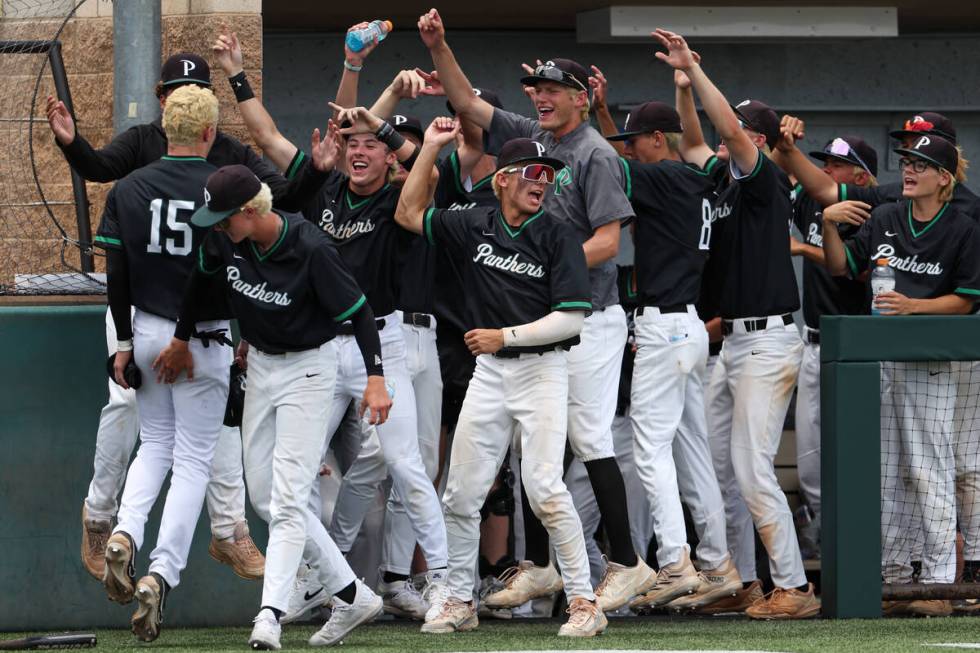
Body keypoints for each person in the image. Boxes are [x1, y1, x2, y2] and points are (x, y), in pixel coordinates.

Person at [419, 9, 655, 612]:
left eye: (553, 90)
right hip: (542, 317)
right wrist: (441, 45)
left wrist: (546, 257)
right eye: (537, 89)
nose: (541, 98)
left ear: (582, 97)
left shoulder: (596, 153)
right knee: (536, 450)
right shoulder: (538, 141)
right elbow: (469, 106)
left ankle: (627, 562)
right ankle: (546, 565)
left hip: (591, 316)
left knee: (587, 434)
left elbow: (610, 240)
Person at [155, 149, 393, 649]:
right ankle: (353, 594)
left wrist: (375, 377)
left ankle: (270, 616)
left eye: (223, 219)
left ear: (250, 210)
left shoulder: (310, 246)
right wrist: (180, 338)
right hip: (261, 364)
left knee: (287, 500)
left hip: (311, 367)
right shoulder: (224, 240)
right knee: (264, 497)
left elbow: (361, 312)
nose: (216, 228)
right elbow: (201, 281)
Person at [396, 117, 605, 636]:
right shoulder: (474, 223)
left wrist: (503, 336)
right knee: (461, 494)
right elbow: (408, 212)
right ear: (502, 179)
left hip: (542, 370)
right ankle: (460, 600)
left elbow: (571, 318)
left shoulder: (559, 234)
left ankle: (584, 602)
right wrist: (430, 148)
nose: (543, 180)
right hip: (490, 373)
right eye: (532, 171)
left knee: (545, 489)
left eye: (549, 175)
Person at [653, 28, 818, 619]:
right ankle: (745, 581)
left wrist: (695, 73)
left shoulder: (764, 177)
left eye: (741, 131)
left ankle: (794, 588)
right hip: (730, 344)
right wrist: (681, 89)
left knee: (750, 468)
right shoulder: (720, 179)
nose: (728, 140)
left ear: (757, 139)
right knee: (720, 469)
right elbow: (697, 141)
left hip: (771, 340)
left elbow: (721, 132)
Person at [93, 85, 233, 642]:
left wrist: (124, 343)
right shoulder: (219, 187)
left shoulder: (128, 187)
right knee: (195, 460)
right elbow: (214, 267)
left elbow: (117, 274)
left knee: (155, 445)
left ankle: (125, 532)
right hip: (200, 336)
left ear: (164, 127)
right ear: (208, 133)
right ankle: (160, 573)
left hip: (145, 329)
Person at [821, 134, 980, 617]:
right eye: (907, 162)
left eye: (921, 164)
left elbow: (967, 300)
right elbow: (842, 266)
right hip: (880, 357)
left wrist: (915, 307)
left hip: (930, 357)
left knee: (929, 470)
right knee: (885, 472)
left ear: (944, 178)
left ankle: (935, 581)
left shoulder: (963, 226)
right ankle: (892, 576)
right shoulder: (888, 216)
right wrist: (829, 225)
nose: (909, 170)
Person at [608, 90, 742, 611]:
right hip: (687, 325)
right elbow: (621, 159)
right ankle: (717, 562)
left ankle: (674, 562)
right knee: (691, 449)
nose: (631, 150)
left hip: (664, 326)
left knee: (649, 449)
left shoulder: (662, 175)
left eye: (636, 140)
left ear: (658, 139)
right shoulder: (698, 178)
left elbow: (604, 164)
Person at [776, 134, 879, 556]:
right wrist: (783, 144)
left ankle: (860, 544)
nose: (827, 173)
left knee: (858, 451)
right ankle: (827, 536)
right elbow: (780, 177)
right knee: (811, 457)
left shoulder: (874, 211)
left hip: (859, 350)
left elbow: (857, 270)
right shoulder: (814, 203)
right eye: (826, 165)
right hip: (813, 341)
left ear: (860, 176)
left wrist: (803, 247)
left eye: (836, 167)